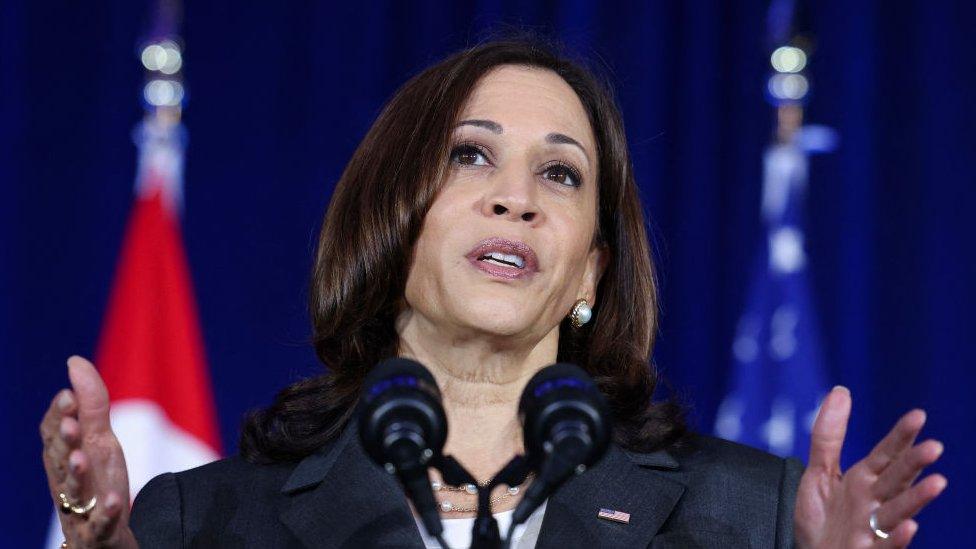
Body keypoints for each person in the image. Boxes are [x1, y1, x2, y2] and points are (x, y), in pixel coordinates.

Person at [40, 39, 946, 548]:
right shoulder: (207, 522)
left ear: (589, 271)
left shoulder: (753, 517)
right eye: (471, 155)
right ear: (393, 221)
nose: (516, 196)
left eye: (561, 174)